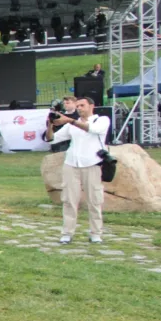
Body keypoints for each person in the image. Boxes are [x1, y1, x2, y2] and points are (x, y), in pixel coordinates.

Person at [51, 97, 110, 244]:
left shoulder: (101, 120)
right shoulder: (72, 125)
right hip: (71, 163)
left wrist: (70, 121)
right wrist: (49, 125)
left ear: (91, 105)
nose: (79, 108)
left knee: (94, 200)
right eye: (77, 106)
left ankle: (96, 233)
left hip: (92, 163)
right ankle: (67, 233)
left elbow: (93, 130)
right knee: (69, 200)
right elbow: (52, 139)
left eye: (82, 105)